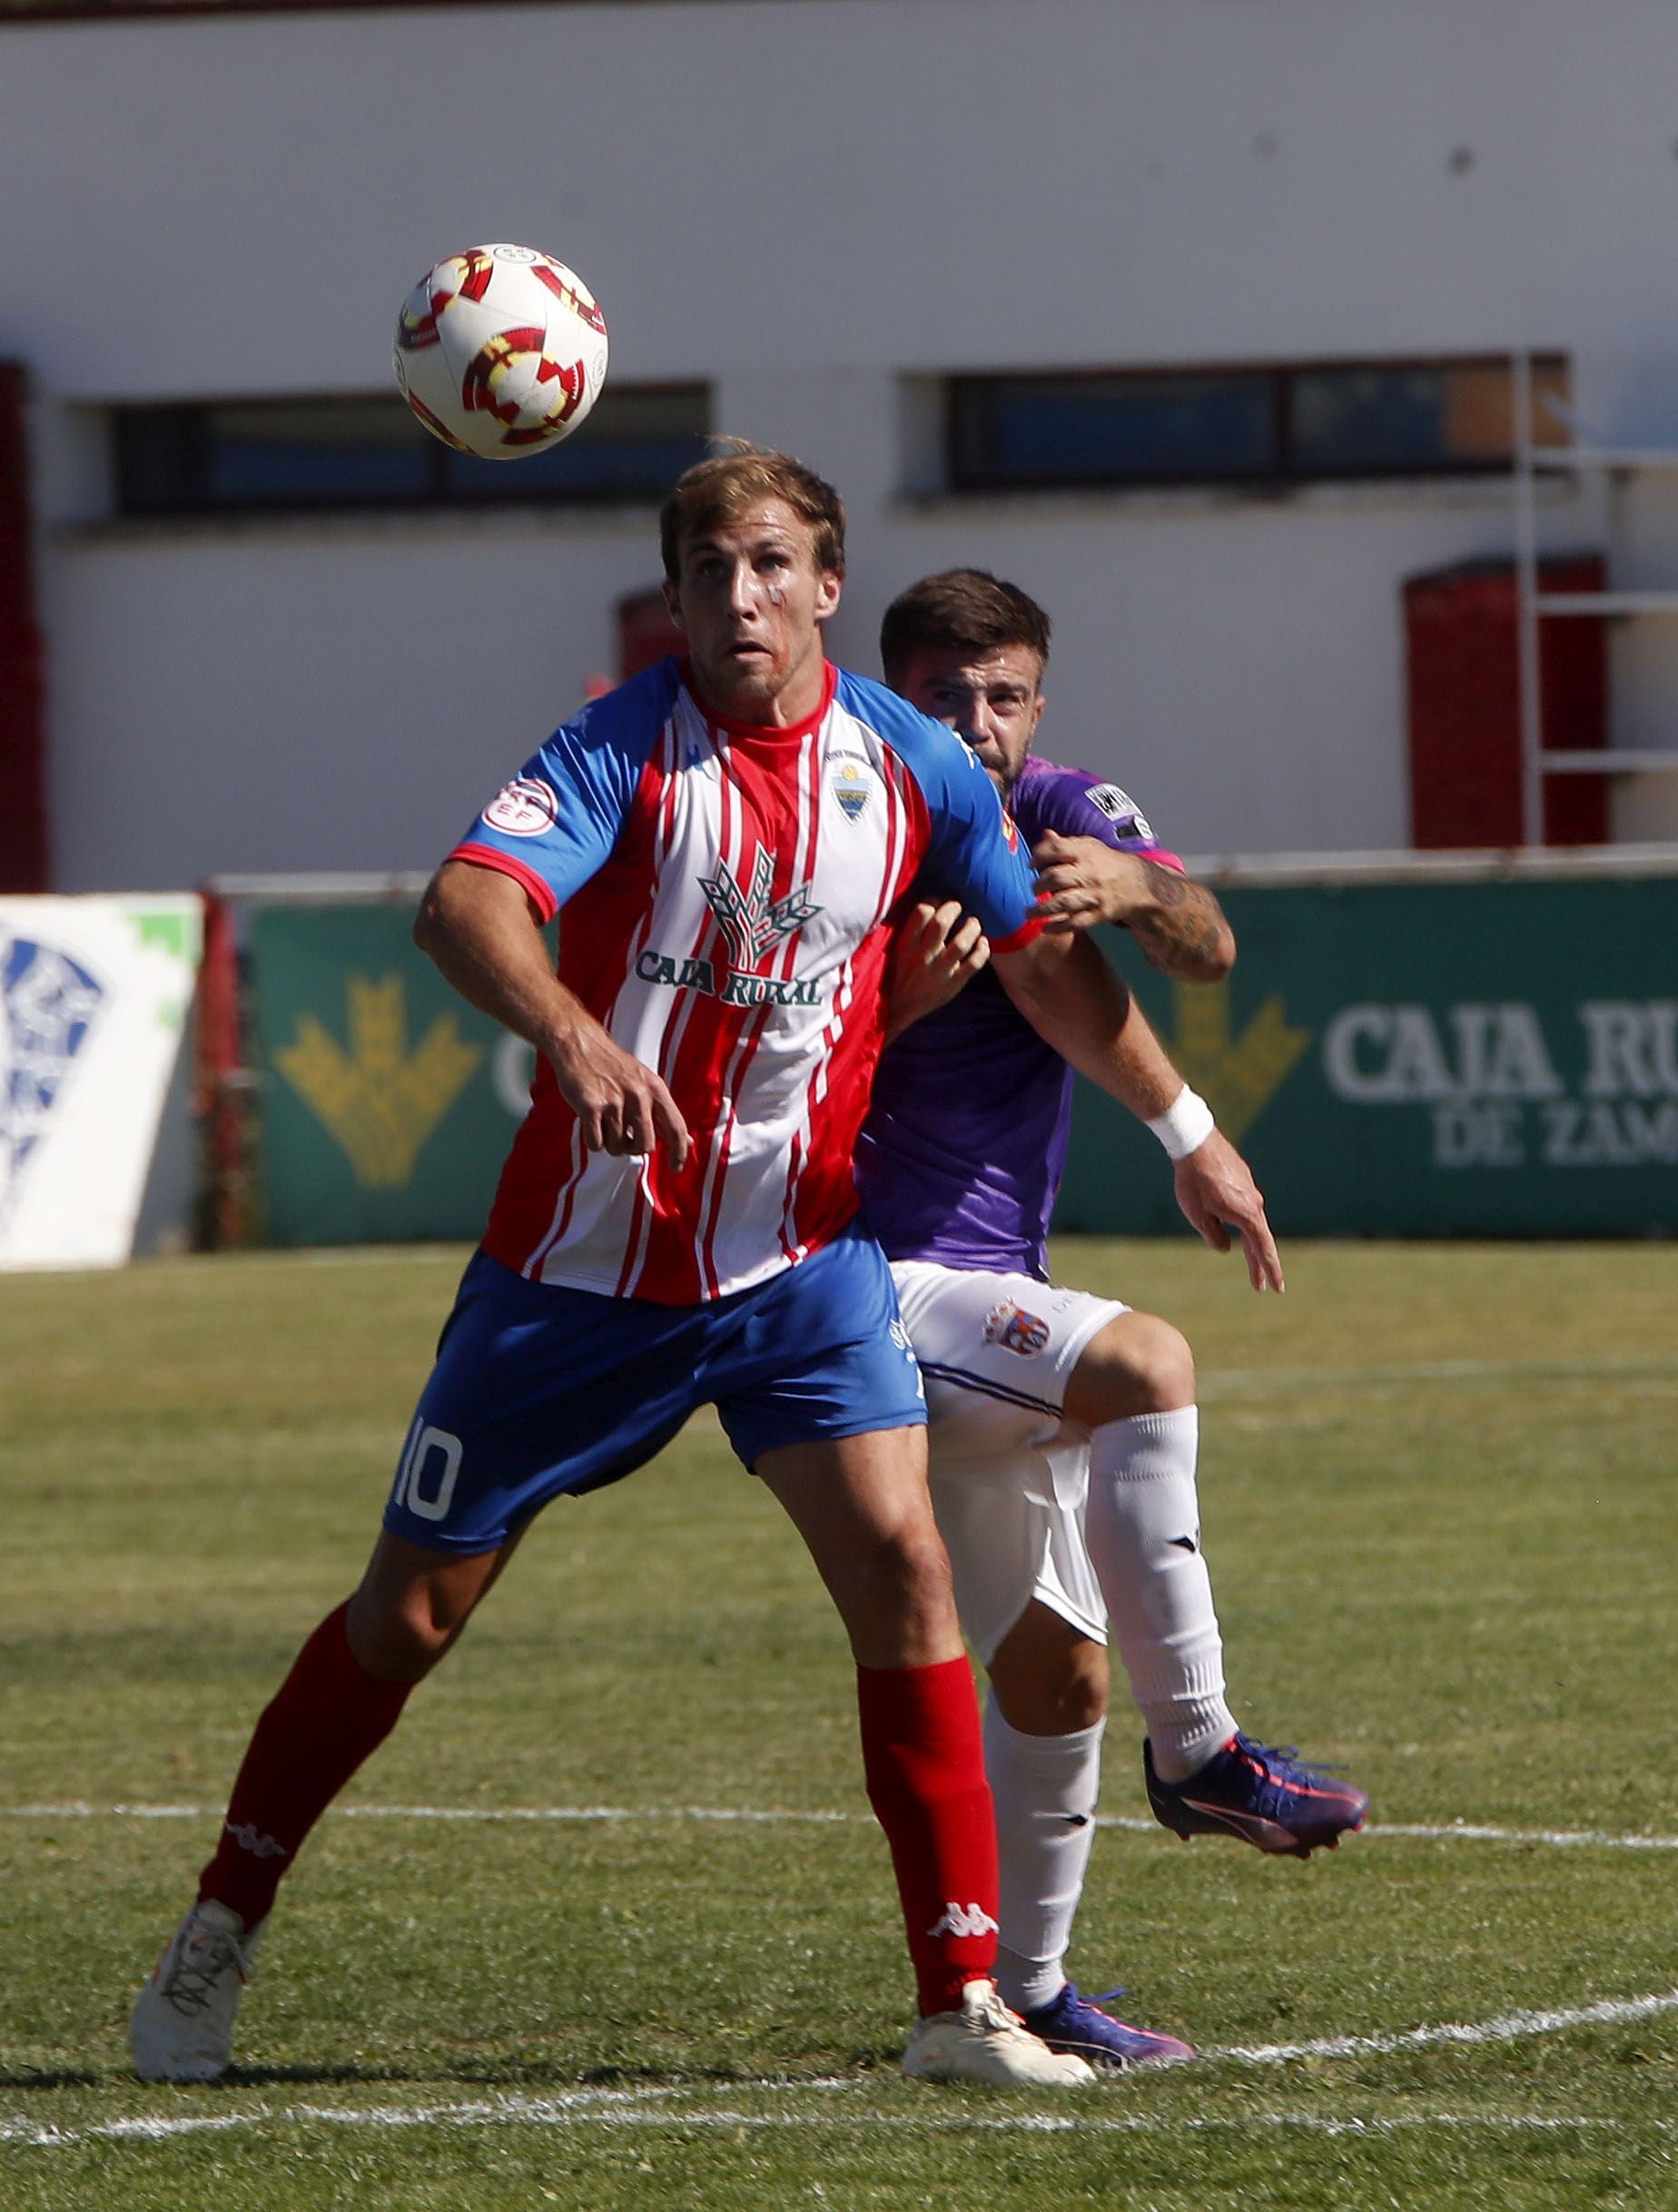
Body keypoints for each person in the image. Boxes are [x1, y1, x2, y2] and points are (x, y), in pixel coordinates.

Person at [128, 450, 1274, 2091]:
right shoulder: (622, 746)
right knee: (408, 1617)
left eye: (769, 565)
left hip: (799, 1268)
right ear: (671, 598)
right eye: (706, 571)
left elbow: (1045, 958)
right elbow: (466, 906)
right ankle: (219, 1925)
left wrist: (1188, 1133)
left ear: (823, 587)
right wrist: (574, 1030)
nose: (737, 597)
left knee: (907, 1575)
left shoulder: (914, 768)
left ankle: (962, 2005)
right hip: (579, 1274)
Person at [859, 568, 1368, 2072]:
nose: (981, 725)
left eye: (1005, 695)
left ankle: (1021, 1996)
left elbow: (1204, 943)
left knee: (1057, 1668)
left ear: (1039, 700)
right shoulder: (849, 816)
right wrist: (1190, 1134)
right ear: (894, 699)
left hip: (984, 1298)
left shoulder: (1066, 803)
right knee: (1146, 1359)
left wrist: (1136, 882)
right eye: (946, 697)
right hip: (860, 1283)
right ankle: (1203, 1751)